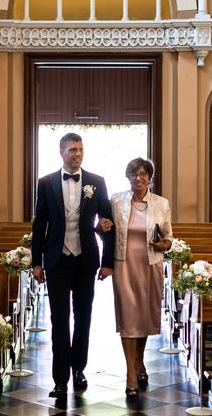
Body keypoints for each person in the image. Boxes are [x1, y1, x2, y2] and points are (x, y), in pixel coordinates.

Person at [31, 133, 114, 398]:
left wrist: (107, 261)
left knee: (83, 317)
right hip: (56, 260)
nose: (77, 154)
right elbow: (39, 225)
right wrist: (36, 263)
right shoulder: (45, 183)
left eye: (80, 149)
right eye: (72, 150)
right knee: (59, 320)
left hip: (85, 259)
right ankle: (59, 379)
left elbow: (107, 224)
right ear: (61, 152)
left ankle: (79, 369)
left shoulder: (96, 182)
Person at [98, 157, 173, 397]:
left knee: (143, 319)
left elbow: (169, 239)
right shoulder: (117, 201)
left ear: (150, 177)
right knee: (129, 319)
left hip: (151, 264)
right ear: (127, 177)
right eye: (133, 174)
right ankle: (131, 372)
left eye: (142, 174)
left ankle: (140, 361)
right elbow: (105, 232)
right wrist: (101, 228)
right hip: (124, 265)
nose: (138, 178)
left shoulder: (161, 203)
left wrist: (163, 244)